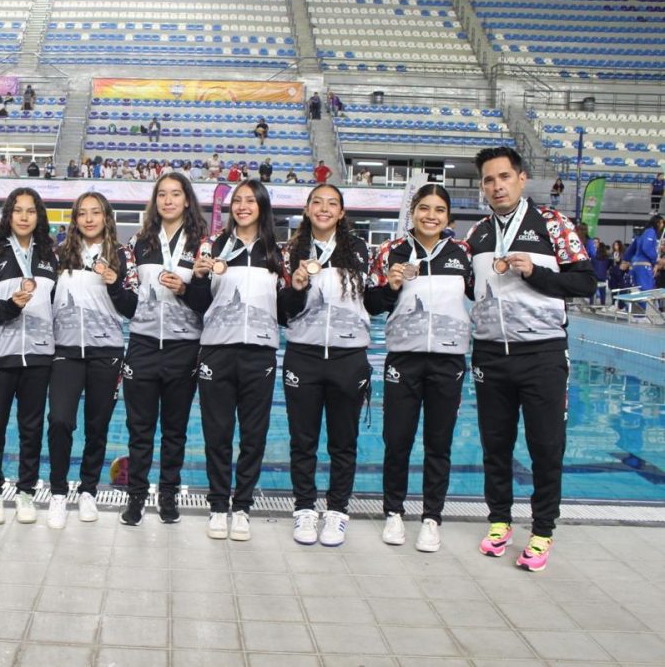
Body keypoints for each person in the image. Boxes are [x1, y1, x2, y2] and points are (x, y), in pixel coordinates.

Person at [466, 146, 596, 571]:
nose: (497, 186)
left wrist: (535, 273)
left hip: (542, 353)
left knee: (545, 446)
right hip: (490, 354)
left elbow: (585, 283)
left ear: (521, 178)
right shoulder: (478, 234)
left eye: (504, 177)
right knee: (495, 445)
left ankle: (542, 531)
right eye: (489, 179)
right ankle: (499, 521)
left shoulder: (553, 224)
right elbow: (469, 289)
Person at [365, 184, 472, 552]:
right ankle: (393, 512)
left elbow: (481, 294)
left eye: (439, 210)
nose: (431, 216)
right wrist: (391, 286)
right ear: (412, 212)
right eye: (424, 208)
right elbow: (371, 304)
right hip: (403, 358)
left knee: (438, 443)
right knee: (397, 440)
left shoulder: (462, 253)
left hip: (448, 360)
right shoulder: (390, 251)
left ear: (448, 217)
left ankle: (431, 518)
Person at [184, 180, 287, 541]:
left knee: (254, 435)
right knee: (218, 434)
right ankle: (217, 506)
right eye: (237, 201)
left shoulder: (276, 253)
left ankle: (241, 507)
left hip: (260, 352)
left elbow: (286, 310)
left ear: (262, 207)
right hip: (217, 350)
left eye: (250, 201)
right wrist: (198, 278)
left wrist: (300, 287)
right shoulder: (213, 247)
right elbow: (198, 304)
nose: (243, 206)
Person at [279, 184, 372, 547]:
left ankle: (337, 511)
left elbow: (373, 302)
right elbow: (283, 311)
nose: (324, 208)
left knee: (343, 442)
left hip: (349, 357)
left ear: (342, 212)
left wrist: (393, 287)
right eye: (317, 202)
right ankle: (304, 508)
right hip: (303, 355)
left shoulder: (360, 250)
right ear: (306, 209)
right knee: (303, 441)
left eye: (332, 203)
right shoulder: (291, 251)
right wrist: (297, 286)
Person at [120, 173, 208, 526]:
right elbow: (127, 297)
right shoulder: (139, 242)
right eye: (162, 194)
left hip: (183, 348)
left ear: (187, 200)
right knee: (139, 430)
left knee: (175, 430)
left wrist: (186, 289)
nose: (168, 200)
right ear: (155, 201)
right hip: (142, 344)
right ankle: (136, 497)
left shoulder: (203, 244)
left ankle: (168, 496)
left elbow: (209, 302)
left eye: (175, 194)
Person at [46, 193, 137, 528]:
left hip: (106, 352)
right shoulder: (59, 254)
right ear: (75, 220)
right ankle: (58, 493)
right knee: (59, 421)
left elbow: (132, 307)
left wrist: (114, 286)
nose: (88, 219)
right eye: (82, 213)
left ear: (106, 217)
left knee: (96, 427)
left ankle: (88, 491)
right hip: (65, 351)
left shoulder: (122, 256)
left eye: (95, 213)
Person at [0, 188, 58, 525]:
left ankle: (26, 492)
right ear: (8, 215)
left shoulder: (51, 256)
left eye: (30, 211)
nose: (24, 217)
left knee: (31, 428)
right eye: (17, 210)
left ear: (39, 216)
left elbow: (57, 306)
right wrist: (10, 306)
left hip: (39, 356)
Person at [624, 214, 664, 292]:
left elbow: (630, 249)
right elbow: (646, 247)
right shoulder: (651, 231)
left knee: (636, 293)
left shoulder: (641, 233)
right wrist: (655, 259)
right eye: (662, 223)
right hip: (644, 267)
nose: (663, 225)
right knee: (646, 293)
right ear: (658, 223)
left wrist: (626, 260)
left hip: (634, 266)